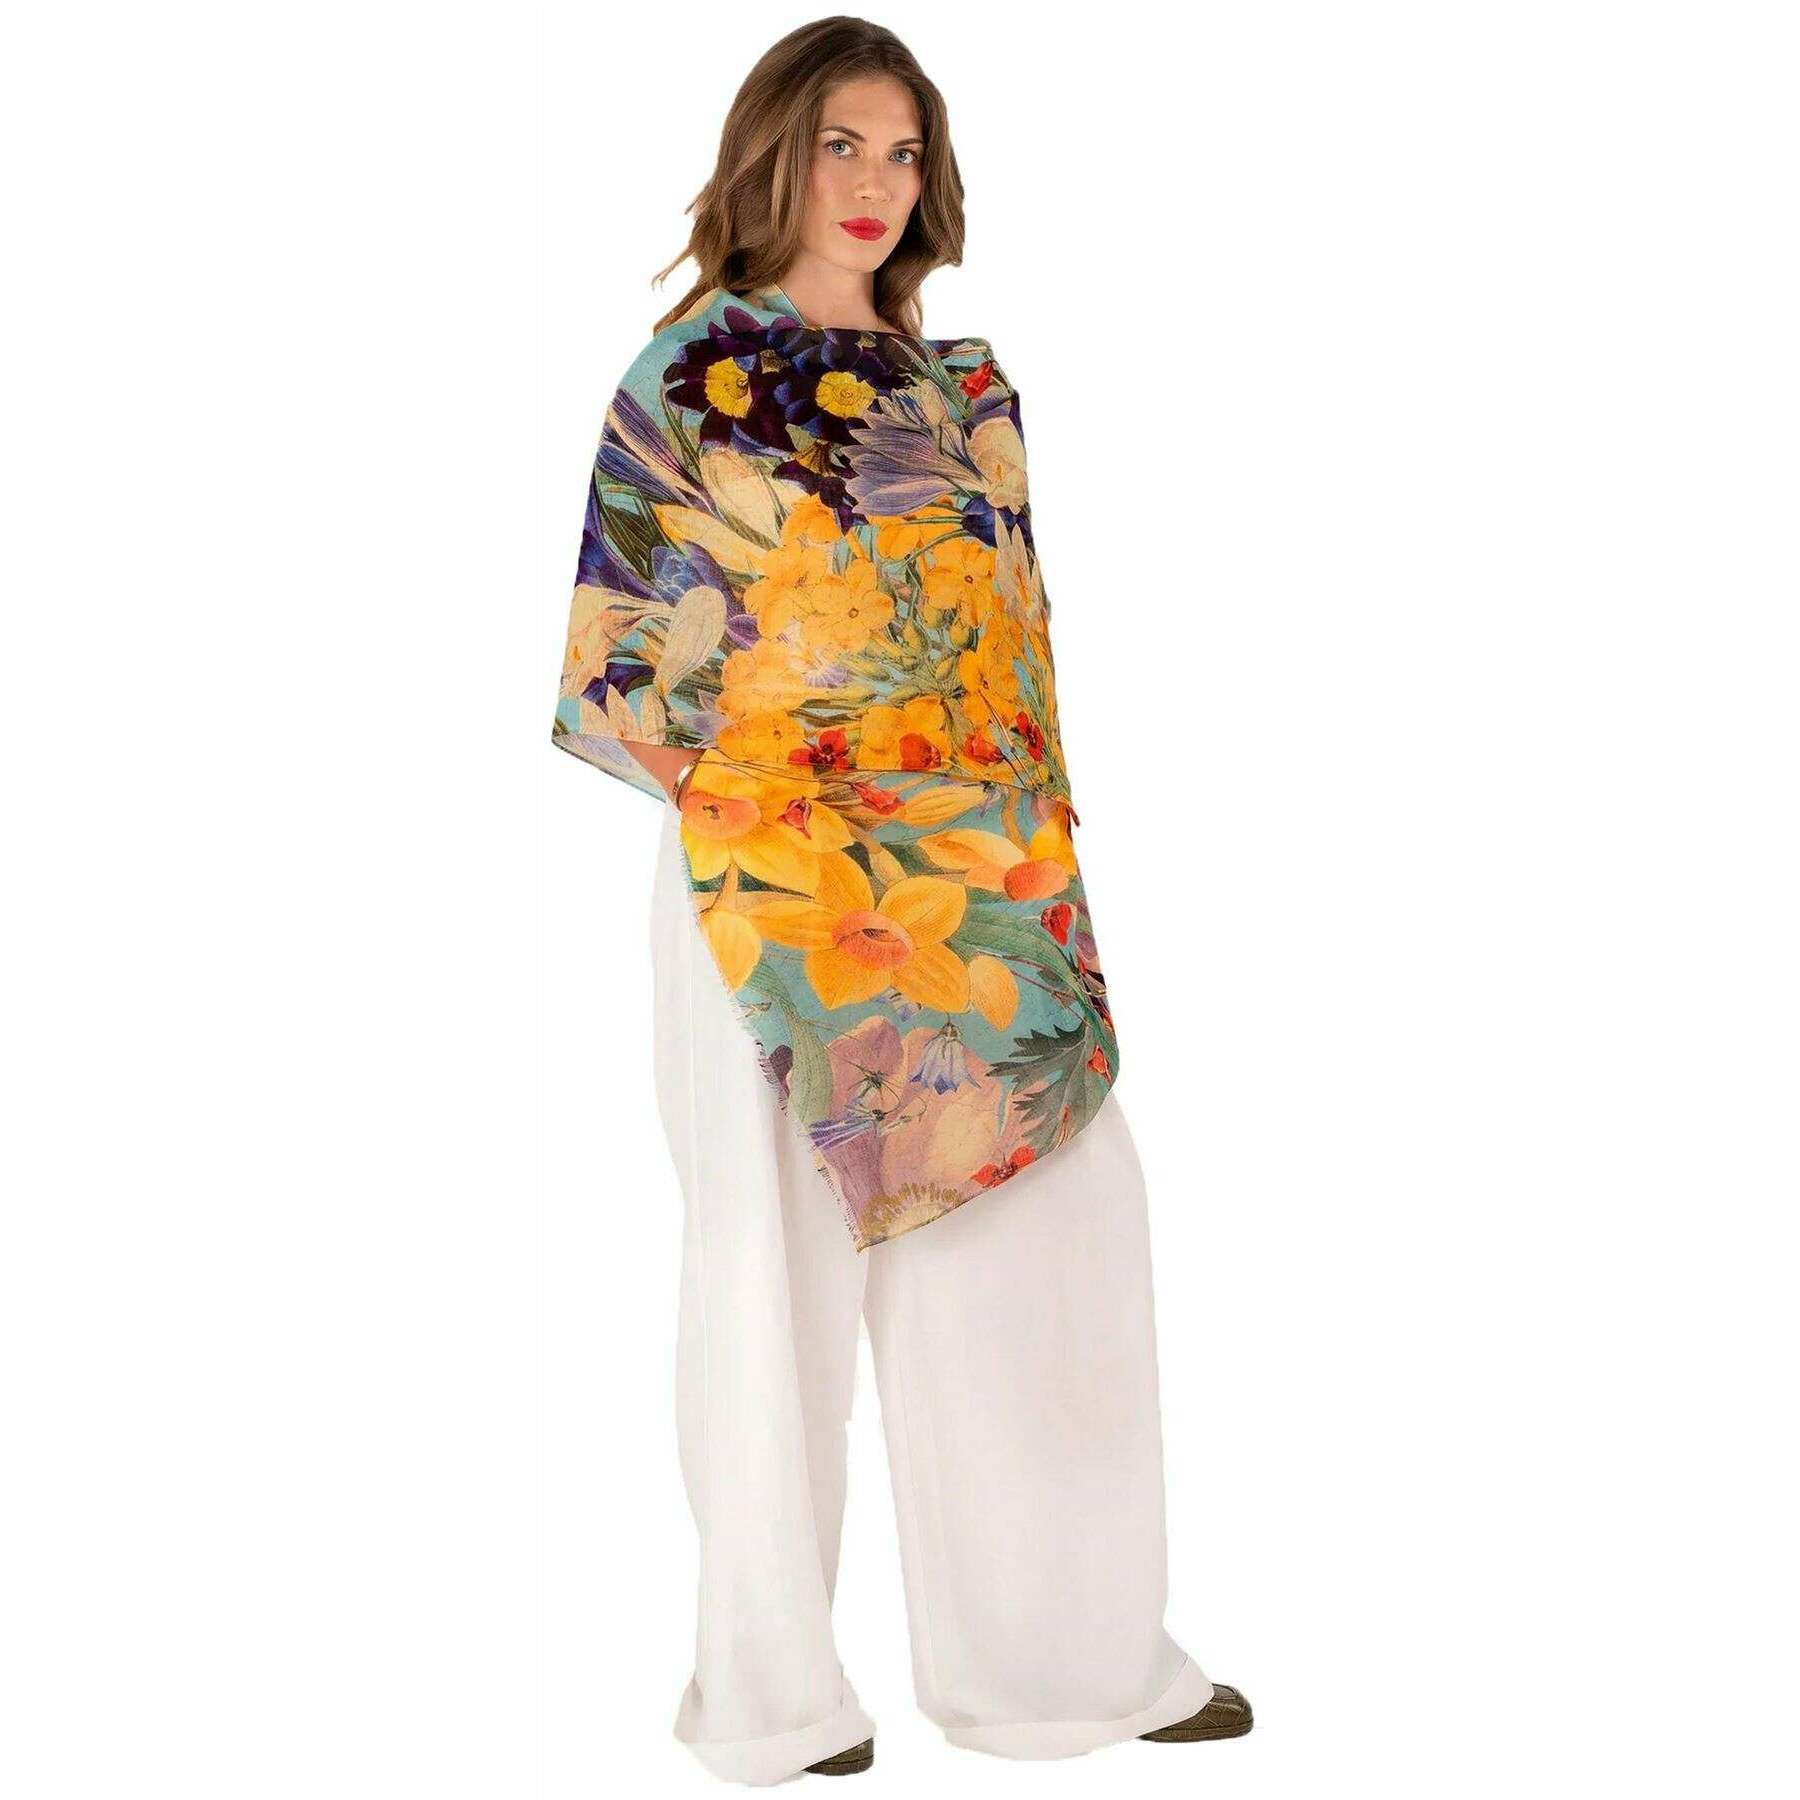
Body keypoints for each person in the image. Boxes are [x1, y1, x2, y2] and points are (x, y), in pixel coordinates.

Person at [552, 17, 1251, 1785]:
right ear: (773, 155)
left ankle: (1071, 1665)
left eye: (906, 150)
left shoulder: (967, 393)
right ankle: (774, 1702)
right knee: (767, 1285)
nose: (876, 183)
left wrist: (1006, 846)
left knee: (1056, 1247)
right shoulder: (694, 375)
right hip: (772, 895)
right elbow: (624, 670)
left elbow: (1015, 659)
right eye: (842, 145)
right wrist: (818, 792)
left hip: (986, 890)